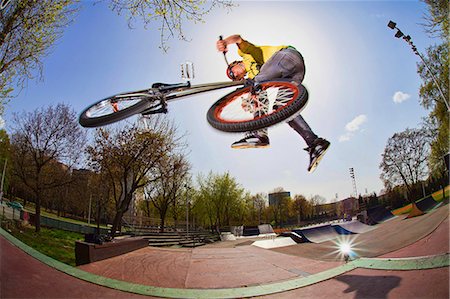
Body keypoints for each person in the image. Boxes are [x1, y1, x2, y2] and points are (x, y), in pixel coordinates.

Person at [216, 34, 330, 172]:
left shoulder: (246, 55)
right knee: (282, 109)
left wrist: (226, 42)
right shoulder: (255, 76)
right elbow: (260, 93)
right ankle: (315, 143)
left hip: (286, 56)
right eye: (234, 79)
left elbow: (238, 38)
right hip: (294, 73)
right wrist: (251, 103)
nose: (236, 77)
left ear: (235, 63)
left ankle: (259, 134)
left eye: (232, 73)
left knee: (256, 85)